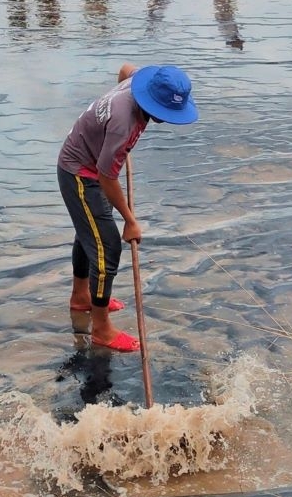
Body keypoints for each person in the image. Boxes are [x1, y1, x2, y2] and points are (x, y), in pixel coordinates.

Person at [56, 64, 198, 352]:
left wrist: (105, 136)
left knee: (90, 234)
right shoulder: (124, 123)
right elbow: (108, 176)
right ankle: (101, 328)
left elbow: (125, 70)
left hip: (88, 164)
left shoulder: (136, 83)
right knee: (107, 247)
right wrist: (130, 220)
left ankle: (81, 297)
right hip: (81, 174)